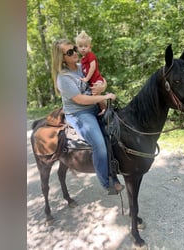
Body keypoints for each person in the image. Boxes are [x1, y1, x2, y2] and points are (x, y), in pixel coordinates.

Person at [51, 38, 124, 194]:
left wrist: (102, 85)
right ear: (62, 58)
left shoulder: (82, 66)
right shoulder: (63, 78)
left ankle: (116, 169)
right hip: (79, 112)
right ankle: (107, 182)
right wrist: (104, 98)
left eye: (74, 49)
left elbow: (100, 78)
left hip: (95, 106)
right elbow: (80, 99)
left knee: (117, 131)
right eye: (69, 52)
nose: (75, 53)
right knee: (99, 144)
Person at [75, 30, 107, 115]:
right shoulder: (82, 60)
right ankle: (102, 109)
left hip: (96, 79)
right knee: (95, 96)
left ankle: (106, 109)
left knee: (96, 95)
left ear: (90, 47)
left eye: (86, 46)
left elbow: (93, 67)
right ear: (77, 48)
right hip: (91, 83)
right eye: (80, 46)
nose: (83, 48)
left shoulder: (90, 55)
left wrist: (87, 79)